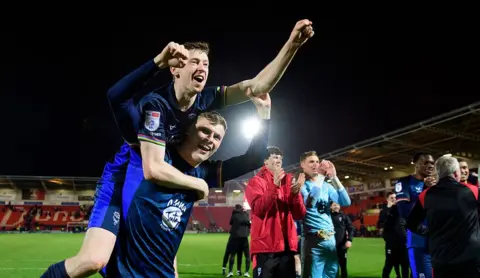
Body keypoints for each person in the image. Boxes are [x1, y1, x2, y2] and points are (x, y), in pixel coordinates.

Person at [43, 18, 315, 278]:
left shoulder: (204, 100)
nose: (202, 67)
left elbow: (255, 87)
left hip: (161, 177)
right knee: (94, 260)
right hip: (127, 174)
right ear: (176, 69)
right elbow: (151, 167)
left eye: (206, 63)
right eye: (194, 61)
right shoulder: (156, 104)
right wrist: (157, 63)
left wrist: (292, 44)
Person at [105, 90, 271, 277]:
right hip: (123, 269)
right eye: (205, 131)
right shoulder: (155, 156)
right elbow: (119, 101)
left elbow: (254, 158)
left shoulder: (206, 172)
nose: (210, 139)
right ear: (188, 130)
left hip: (161, 271)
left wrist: (264, 113)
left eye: (217, 137)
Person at [406, 155, 480, 278]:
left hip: (442, 261)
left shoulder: (425, 195)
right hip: (470, 260)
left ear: (439, 174)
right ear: (456, 173)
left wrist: (428, 232)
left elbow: (411, 223)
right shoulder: (473, 191)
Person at [245, 147, 307, 278]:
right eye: (274, 156)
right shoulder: (255, 182)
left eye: (280, 157)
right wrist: (274, 186)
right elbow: (258, 209)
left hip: (287, 248)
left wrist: (295, 195)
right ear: (265, 162)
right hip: (265, 249)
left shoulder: (289, 181)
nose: (278, 159)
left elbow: (299, 214)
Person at [300, 151, 351, 278]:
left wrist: (334, 177)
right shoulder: (301, 184)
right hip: (313, 240)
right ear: (303, 165)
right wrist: (322, 177)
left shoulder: (326, 186)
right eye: (311, 161)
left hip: (330, 240)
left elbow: (346, 201)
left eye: (317, 161)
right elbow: (310, 202)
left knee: (331, 275)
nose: (315, 164)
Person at [395, 152, 436, 278]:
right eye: (426, 162)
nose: (430, 166)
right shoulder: (404, 183)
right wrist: (425, 190)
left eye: (432, 163)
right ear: (416, 164)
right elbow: (404, 211)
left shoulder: (436, 185)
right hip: (419, 241)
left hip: (437, 242)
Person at [378, 192, 409, 278]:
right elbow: (381, 221)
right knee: (389, 263)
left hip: (403, 242)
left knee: (405, 264)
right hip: (391, 243)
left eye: (395, 197)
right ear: (387, 199)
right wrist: (388, 207)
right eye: (392, 198)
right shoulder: (385, 210)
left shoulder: (402, 210)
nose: (394, 199)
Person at [223, 204, 252, 277]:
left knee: (232, 254)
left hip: (235, 237)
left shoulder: (234, 215)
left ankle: (230, 271)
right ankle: (246, 272)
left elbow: (231, 222)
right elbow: (249, 224)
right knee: (247, 256)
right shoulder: (245, 215)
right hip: (244, 238)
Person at [330, 202, 353, 278]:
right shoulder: (327, 216)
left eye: (337, 204)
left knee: (343, 266)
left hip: (341, 246)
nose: (336, 206)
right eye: (334, 205)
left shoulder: (344, 216)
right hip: (329, 246)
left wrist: (349, 240)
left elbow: (351, 228)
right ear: (330, 207)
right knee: (330, 267)